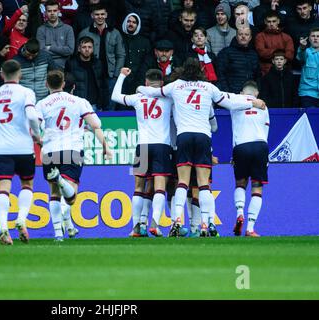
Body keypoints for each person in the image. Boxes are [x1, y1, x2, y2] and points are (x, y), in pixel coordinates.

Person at [136, 57, 267, 236]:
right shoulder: (209, 87)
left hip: (181, 137)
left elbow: (153, 92)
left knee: (181, 182)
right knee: (203, 184)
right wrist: (252, 102)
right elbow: (229, 101)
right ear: (200, 70)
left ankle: (175, 222)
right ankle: (207, 225)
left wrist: (139, 88)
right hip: (203, 137)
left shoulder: (175, 85)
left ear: (183, 70)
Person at [36, 70, 111, 241]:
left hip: (49, 151)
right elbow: (96, 124)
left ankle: (59, 233)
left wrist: (39, 140)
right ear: (63, 84)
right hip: (72, 150)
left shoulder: (42, 104)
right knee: (70, 198)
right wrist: (105, 146)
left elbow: (35, 126)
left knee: (54, 193)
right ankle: (61, 180)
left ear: (46, 84)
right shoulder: (79, 102)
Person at [111, 67, 174, 238]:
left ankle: (136, 227)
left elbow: (115, 96)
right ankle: (155, 224)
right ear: (161, 83)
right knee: (160, 187)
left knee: (138, 187)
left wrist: (122, 75)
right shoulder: (168, 98)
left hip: (142, 147)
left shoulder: (138, 98)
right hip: (162, 146)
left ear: (146, 82)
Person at [0, 59, 41, 245]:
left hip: (3, 148)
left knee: (3, 188)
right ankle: (21, 220)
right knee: (27, 184)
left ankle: (3, 228)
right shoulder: (26, 92)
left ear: (2, 74)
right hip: (24, 146)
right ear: (20, 74)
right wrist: (37, 136)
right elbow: (32, 115)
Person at [231, 80, 270, 237]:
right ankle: (250, 228)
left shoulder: (234, 104)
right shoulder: (264, 107)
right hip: (260, 146)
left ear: (241, 93)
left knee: (240, 184)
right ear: (257, 93)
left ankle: (239, 213)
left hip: (241, 146)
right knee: (257, 188)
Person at [78, 3, 125, 110]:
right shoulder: (85, 33)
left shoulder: (115, 32)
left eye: (102, 14)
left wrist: (116, 74)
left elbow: (121, 54)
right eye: (97, 14)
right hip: (92, 74)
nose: (100, 17)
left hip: (110, 74)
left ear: (106, 15)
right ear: (92, 16)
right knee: (93, 104)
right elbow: (79, 54)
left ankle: (109, 126)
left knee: (111, 103)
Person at [64, 36, 108, 110]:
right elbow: (67, 85)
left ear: (93, 49)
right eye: (84, 47)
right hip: (78, 105)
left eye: (89, 47)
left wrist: (103, 102)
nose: (87, 49)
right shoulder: (71, 63)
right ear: (79, 49)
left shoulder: (98, 63)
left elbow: (103, 85)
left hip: (96, 104)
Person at [216, 26, 261, 94]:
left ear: (250, 38)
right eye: (240, 34)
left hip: (249, 94)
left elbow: (258, 76)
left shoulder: (254, 54)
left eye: (246, 34)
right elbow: (220, 74)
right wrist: (227, 92)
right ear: (236, 36)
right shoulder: (226, 52)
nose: (243, 36)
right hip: (231, 95)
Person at [36, 0, 75, 69]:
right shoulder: (40, 30)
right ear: (45, 13)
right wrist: (62, 53)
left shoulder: (68, 29)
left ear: (59, 12)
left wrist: (50, 47)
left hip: (65, 67)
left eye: (54, 10)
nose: (52, 13)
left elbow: (70, 50)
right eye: (49, 11)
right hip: (47, 67)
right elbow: (41, 51)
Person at [120, 13, 152, 95]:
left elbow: (147, 61)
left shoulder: (145, 41)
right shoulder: (119, 38)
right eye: (129, 21)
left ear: (138, 25)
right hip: (121, 79)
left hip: (138, 80)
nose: (131, 24)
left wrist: (140, 75)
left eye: (134, 22)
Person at [254, 10, 294, 75]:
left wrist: (270, 53)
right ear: (265, 22)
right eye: (269, 21)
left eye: (274, 21)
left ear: (278, 21)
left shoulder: (287, 37)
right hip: (265, 72)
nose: (271, 24)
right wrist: (279, 51)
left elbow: (290, 56)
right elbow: (261, 53)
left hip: (284, 72)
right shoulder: (260, 36)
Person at [297, 27, 319, 107]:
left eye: (318, 36)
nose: (315, 38)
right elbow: (300, 56)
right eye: (313, 36)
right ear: (309, 39)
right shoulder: (306, 52)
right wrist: (302, 47)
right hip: (308, 94)